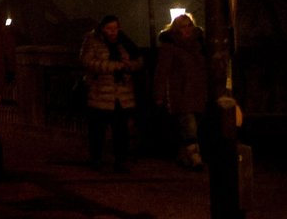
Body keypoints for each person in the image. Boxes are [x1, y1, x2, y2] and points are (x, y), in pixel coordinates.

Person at [80, 14, 142, 172]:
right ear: (102, 28)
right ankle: (96, 159)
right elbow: (87, 61)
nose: (113, 32)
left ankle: (121, 161)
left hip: (122, 93)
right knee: (98, 130)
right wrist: (113, 66)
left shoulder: (125, 42)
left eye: (115, 28)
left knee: (121, 130)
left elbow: (139, 59)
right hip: (100, 92)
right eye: (109, 28)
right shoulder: (92, 41)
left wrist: (130, 66)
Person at [154, 13, 208, 169]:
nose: (187, 29)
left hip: (198, 92)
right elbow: (162, 72)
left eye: (189, 25)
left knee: (191, 126)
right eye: (183, 26)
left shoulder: (200, 44)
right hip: (181, 92)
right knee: (189, 125)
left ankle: (183, 156)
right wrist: (159, 95)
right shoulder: (170, 47)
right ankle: (195, 157)